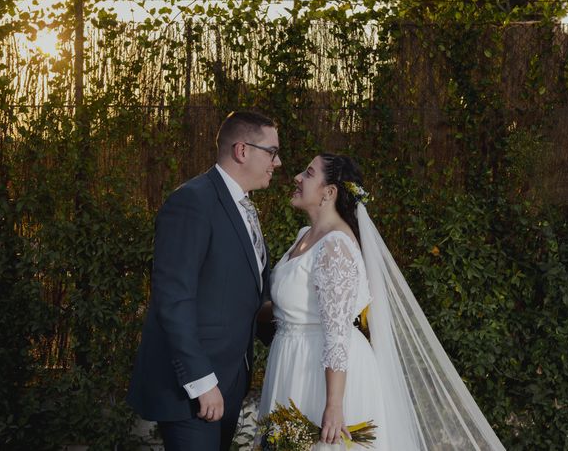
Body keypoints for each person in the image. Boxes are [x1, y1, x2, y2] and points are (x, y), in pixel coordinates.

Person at [258, 153, 505, 450]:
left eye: (308, 173)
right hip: (293, 361)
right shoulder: (305, 236)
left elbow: (337, 335)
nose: (297, 177)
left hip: (323, 374)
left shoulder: (335, 246)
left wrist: (334, 405)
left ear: (329, 192)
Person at [127, 111, 281, 451]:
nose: (278, 162)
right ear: (242, 151)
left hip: (230, 381)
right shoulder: (192, 201)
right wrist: (200, 381)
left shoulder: (244, 206)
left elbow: (244, 298)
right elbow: (173, 299)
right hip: (192, 387)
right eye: (272, 152)